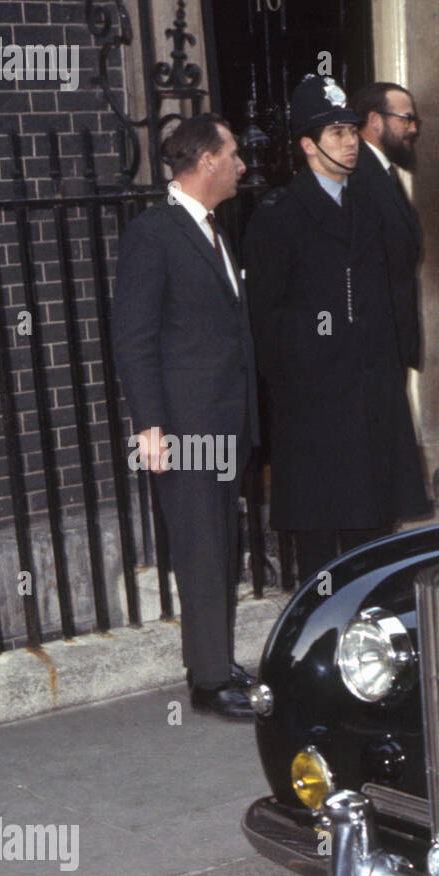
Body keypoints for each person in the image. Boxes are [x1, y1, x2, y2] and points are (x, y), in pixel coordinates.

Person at [244, 74, 429, 582]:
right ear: (308, 145)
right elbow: (266, 321)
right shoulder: (279, 215)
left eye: (351, 131)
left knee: (372, 542)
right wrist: (307, 369)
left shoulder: (368, 204)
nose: (350, 144)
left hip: (370, 401)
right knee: (322, 554)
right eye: (335, 134)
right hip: (315, 411)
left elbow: (387, 296)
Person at [112, 113, 258, 721]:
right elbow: (133, 336)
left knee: (221, 544)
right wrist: (150, 425)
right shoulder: (155, 233)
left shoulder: (213, 230)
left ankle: (214, 660)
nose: (243, 165)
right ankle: (207, 682)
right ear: (206, 163)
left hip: (223, 418)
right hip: (185, 426)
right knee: (200, 545)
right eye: (234, 155)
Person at [349, 81, 424, 372]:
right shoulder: (359, 176)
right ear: (375, 121)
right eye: (406, 119)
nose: (414, 129)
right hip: (375, 345)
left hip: (389, 343)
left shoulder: (382, 171)